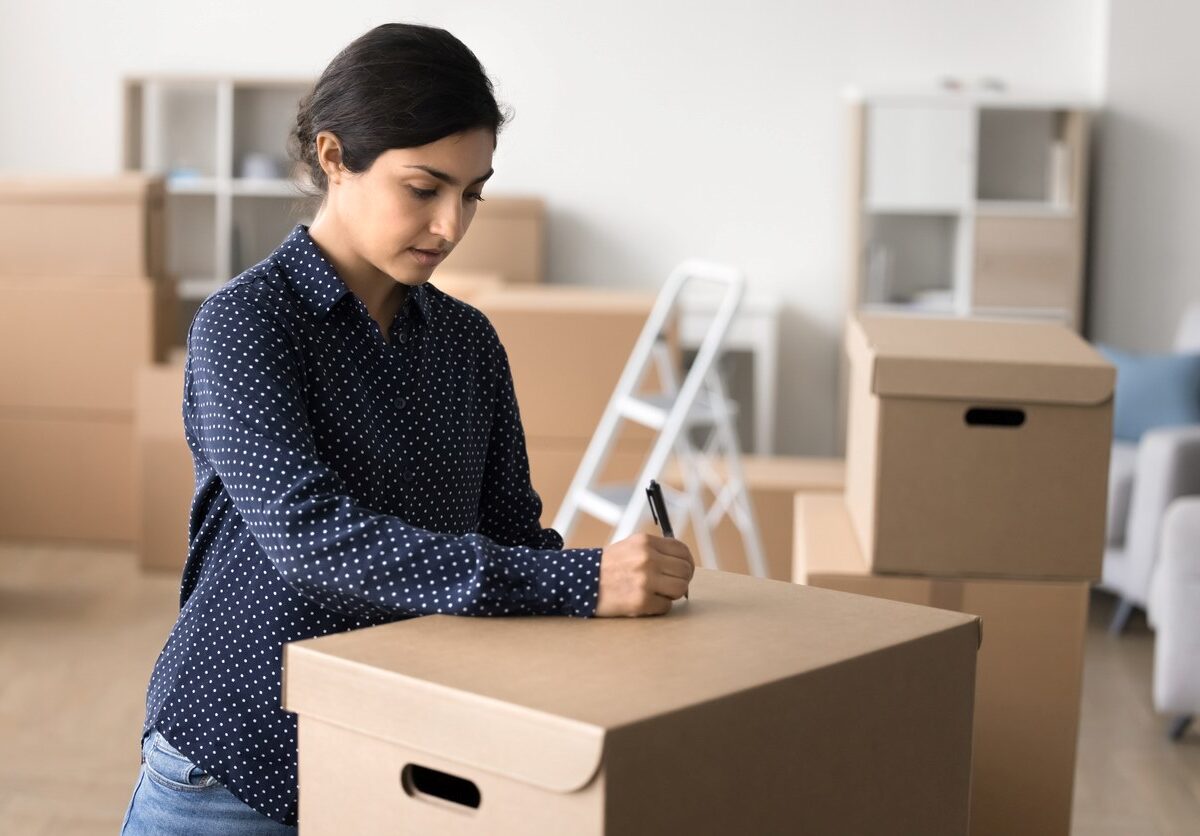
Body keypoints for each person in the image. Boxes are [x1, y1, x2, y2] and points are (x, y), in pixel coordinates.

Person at [119, 22, 694, 834]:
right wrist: (583, 583)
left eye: (473, 192)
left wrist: (615, 605)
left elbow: (510, 536)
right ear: (332, 158)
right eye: (424, 188)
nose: (452, 226)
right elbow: (311, 538)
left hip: (405, 749)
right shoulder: (246, 324)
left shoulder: (468, 343)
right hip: (237, 758)